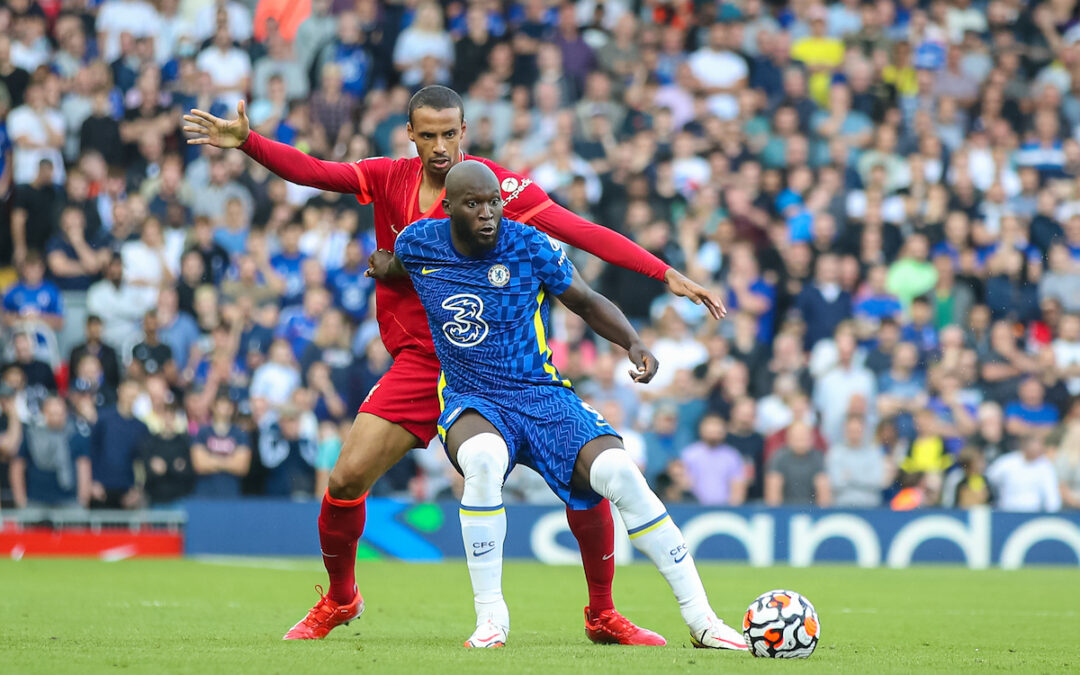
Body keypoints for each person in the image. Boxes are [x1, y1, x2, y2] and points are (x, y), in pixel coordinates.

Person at [183, 85, 722, 642]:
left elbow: (578, 230)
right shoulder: (389, 178)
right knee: (344, 479)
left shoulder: (492, 189)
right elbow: (316, 172)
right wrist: (249, 143)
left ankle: (602, 612)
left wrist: (663, 274)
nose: (440, 147)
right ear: (410, 134)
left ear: (464, 132)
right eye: (429, 135)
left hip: (501, 367)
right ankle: (342, 600)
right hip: (423, 361)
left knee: (590, 475)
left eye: (450, 134)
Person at [375, 160, 747, 650]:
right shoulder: (419, 242)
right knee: (482, 461)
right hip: (472, 396)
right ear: (448, 209)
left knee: (621, 472)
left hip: (541, 393)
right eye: (474, 204)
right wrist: (383, 267)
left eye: (494, 202)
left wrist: (633, 343)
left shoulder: (529, 245)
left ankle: (703, 622)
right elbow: (397, 264)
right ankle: (491, 620)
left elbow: (587, 300)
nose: (488, 213)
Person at [986, 436, 1062, 512]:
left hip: (1033, 513)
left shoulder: (1045, 466)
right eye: (1033, 449)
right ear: (1024, 448)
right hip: (1007, 511)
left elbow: (1052, 494)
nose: (1036, 452)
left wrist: (1052, 513)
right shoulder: (1007, 462)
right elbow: (989, 479)